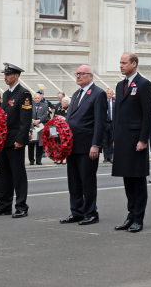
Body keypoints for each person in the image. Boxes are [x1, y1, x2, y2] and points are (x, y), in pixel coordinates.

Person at [59, 65, 107, 226]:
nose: (78, 76)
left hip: (88, 146)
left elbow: (100, 122)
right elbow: (71, 119)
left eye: (81, 74)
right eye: (77, 73)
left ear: (90, 76)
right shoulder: (76, 94)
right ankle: (77, 211)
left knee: (87, 181)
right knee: (73, 181)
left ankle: (91, 213)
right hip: (72, 145)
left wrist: (96, 144)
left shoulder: (98, 93)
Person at [112, 53, 151, 233]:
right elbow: (118, 114)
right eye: (120, 63)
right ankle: (130, 216)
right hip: (123, 139)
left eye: (124, 63)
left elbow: (148, 115)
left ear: (134, 64)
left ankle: (138, 218)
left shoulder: (144, 84)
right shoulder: (120, 85)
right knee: (127, 178)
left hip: (137, 140)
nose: (121, 66)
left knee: (137, 180)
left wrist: (143, 139)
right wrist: (115, 137)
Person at [0, 63, 33, 218]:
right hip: (3, 140)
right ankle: (4, 205)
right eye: (5, 74)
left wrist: (20, 139)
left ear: (16, 76)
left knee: (18, 174)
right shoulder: (6, 94)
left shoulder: (24, 93)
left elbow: (25, 120)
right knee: (4, 173)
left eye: (8, 74)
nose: (5, 77)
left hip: (15, 141)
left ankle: (21, 206)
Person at [28, 93, 48, 166]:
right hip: (31, 126)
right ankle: (31, 160)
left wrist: (39, 120)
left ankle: (38, 160)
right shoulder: (30, 105)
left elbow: (46, 114)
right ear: (33, 98)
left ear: (41, 98)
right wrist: (33, 121)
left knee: (40, 144)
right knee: (31, 144)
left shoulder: (44, 105)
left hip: (41, 126)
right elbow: (27, 114)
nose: (37, 99)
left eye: (38, 98)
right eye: (35, 98)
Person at [103, 89, 115, 163]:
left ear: (112, 94)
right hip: (105, 123)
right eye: (108, 93)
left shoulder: (115, 101)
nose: (109, 95)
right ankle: (105, 157)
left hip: (112, 123)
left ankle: (110, 157)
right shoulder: (103, 101)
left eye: (110, 93)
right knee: (104, 141)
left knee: (111, 140)